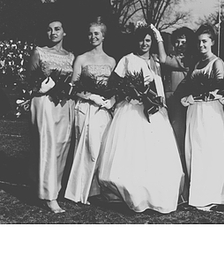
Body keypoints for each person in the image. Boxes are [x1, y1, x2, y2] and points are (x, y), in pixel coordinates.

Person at [97, 22, 184, 214]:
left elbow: (162, 70)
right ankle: (131, 193)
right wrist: (129, 92)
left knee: (155, 153)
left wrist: (157, 35)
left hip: (154, 111)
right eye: (141, 40)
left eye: (147, 40)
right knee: (133, 152)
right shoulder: (127, 59)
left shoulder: (156, 60)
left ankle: (154, 193)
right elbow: (115, 83)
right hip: (132, 110)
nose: (144, 44)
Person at [64, 17, 116, 205]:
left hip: (103, 109)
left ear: (103, 36)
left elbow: (116, 87)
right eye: (90, 33)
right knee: (86, 148)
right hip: (86, 107)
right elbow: (73, 87)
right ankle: (79, 191)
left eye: (96, 33)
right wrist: (89, 96)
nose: (92, 36)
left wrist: (111, 100)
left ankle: (96, 190)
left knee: (101, 148)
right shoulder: (82, 58)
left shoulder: (111, 61)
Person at [180, 25, 224, 210]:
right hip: (194, 112)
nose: (201, 44)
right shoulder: (196, 64)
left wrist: (198, 96)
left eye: (205, 41)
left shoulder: (217, 62)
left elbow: (220, 88)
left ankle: (213, 194)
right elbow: (188, 85)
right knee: (194, 151)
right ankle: (198, 194)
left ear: (212, 42)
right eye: (199, 41)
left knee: (209, 151)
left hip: (210, 112)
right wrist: (185, 97)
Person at [29, 18, 75, 213]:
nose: (53, 32)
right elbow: (29, 81)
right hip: (45, 103)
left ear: (65, 32)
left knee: (62, 145)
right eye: (49, 30)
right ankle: (49, 196)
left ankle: (54, 188)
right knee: (47, 146)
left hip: (65, 104)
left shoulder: (71, 56)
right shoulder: (39, 52)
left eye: (57, 29)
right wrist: (41, 87)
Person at [160, 27, 196, 201]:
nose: (181, 45)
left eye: (184, 41)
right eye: (178, 41)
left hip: (180, 104)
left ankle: (184, 188)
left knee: (181, 143)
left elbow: (163, 58)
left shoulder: (188, 60)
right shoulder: (176, 58)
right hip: (169, 102)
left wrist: (158, 38)